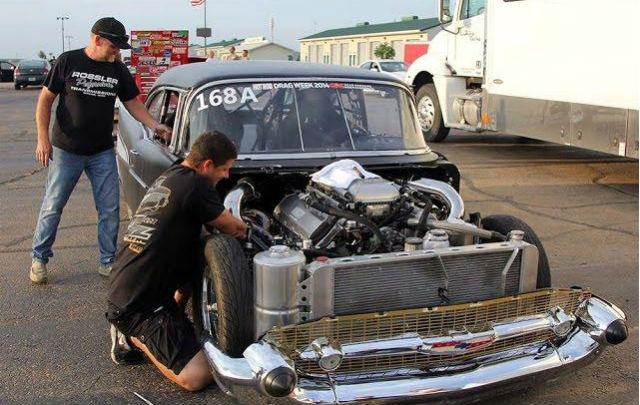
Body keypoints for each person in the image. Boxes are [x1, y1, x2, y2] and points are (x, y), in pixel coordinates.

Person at [29, 17, 172, 284]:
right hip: (66, 150)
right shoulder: (68, 61)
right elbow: (45, 100)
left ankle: (107, 261)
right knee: (53, 206)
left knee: (109, 208)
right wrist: (42, 139)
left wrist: (155, 125)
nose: (116, 52)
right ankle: (39, 259)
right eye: (113, 47)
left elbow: (132, 102)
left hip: (102, 151)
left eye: (119, 47)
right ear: (97, 40)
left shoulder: (117, 70)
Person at [106, 130, 247, 391]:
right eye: (225, 169)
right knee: (198, 376)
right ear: (206, 165)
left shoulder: (173, 175)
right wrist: (252, 229)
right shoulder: (197, 185)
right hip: (136, 305)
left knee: (195, 251)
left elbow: (203, 233)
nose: (227, 176)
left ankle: (168, 323)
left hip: (139, 285)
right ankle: (132, 336)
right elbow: (235, 229)